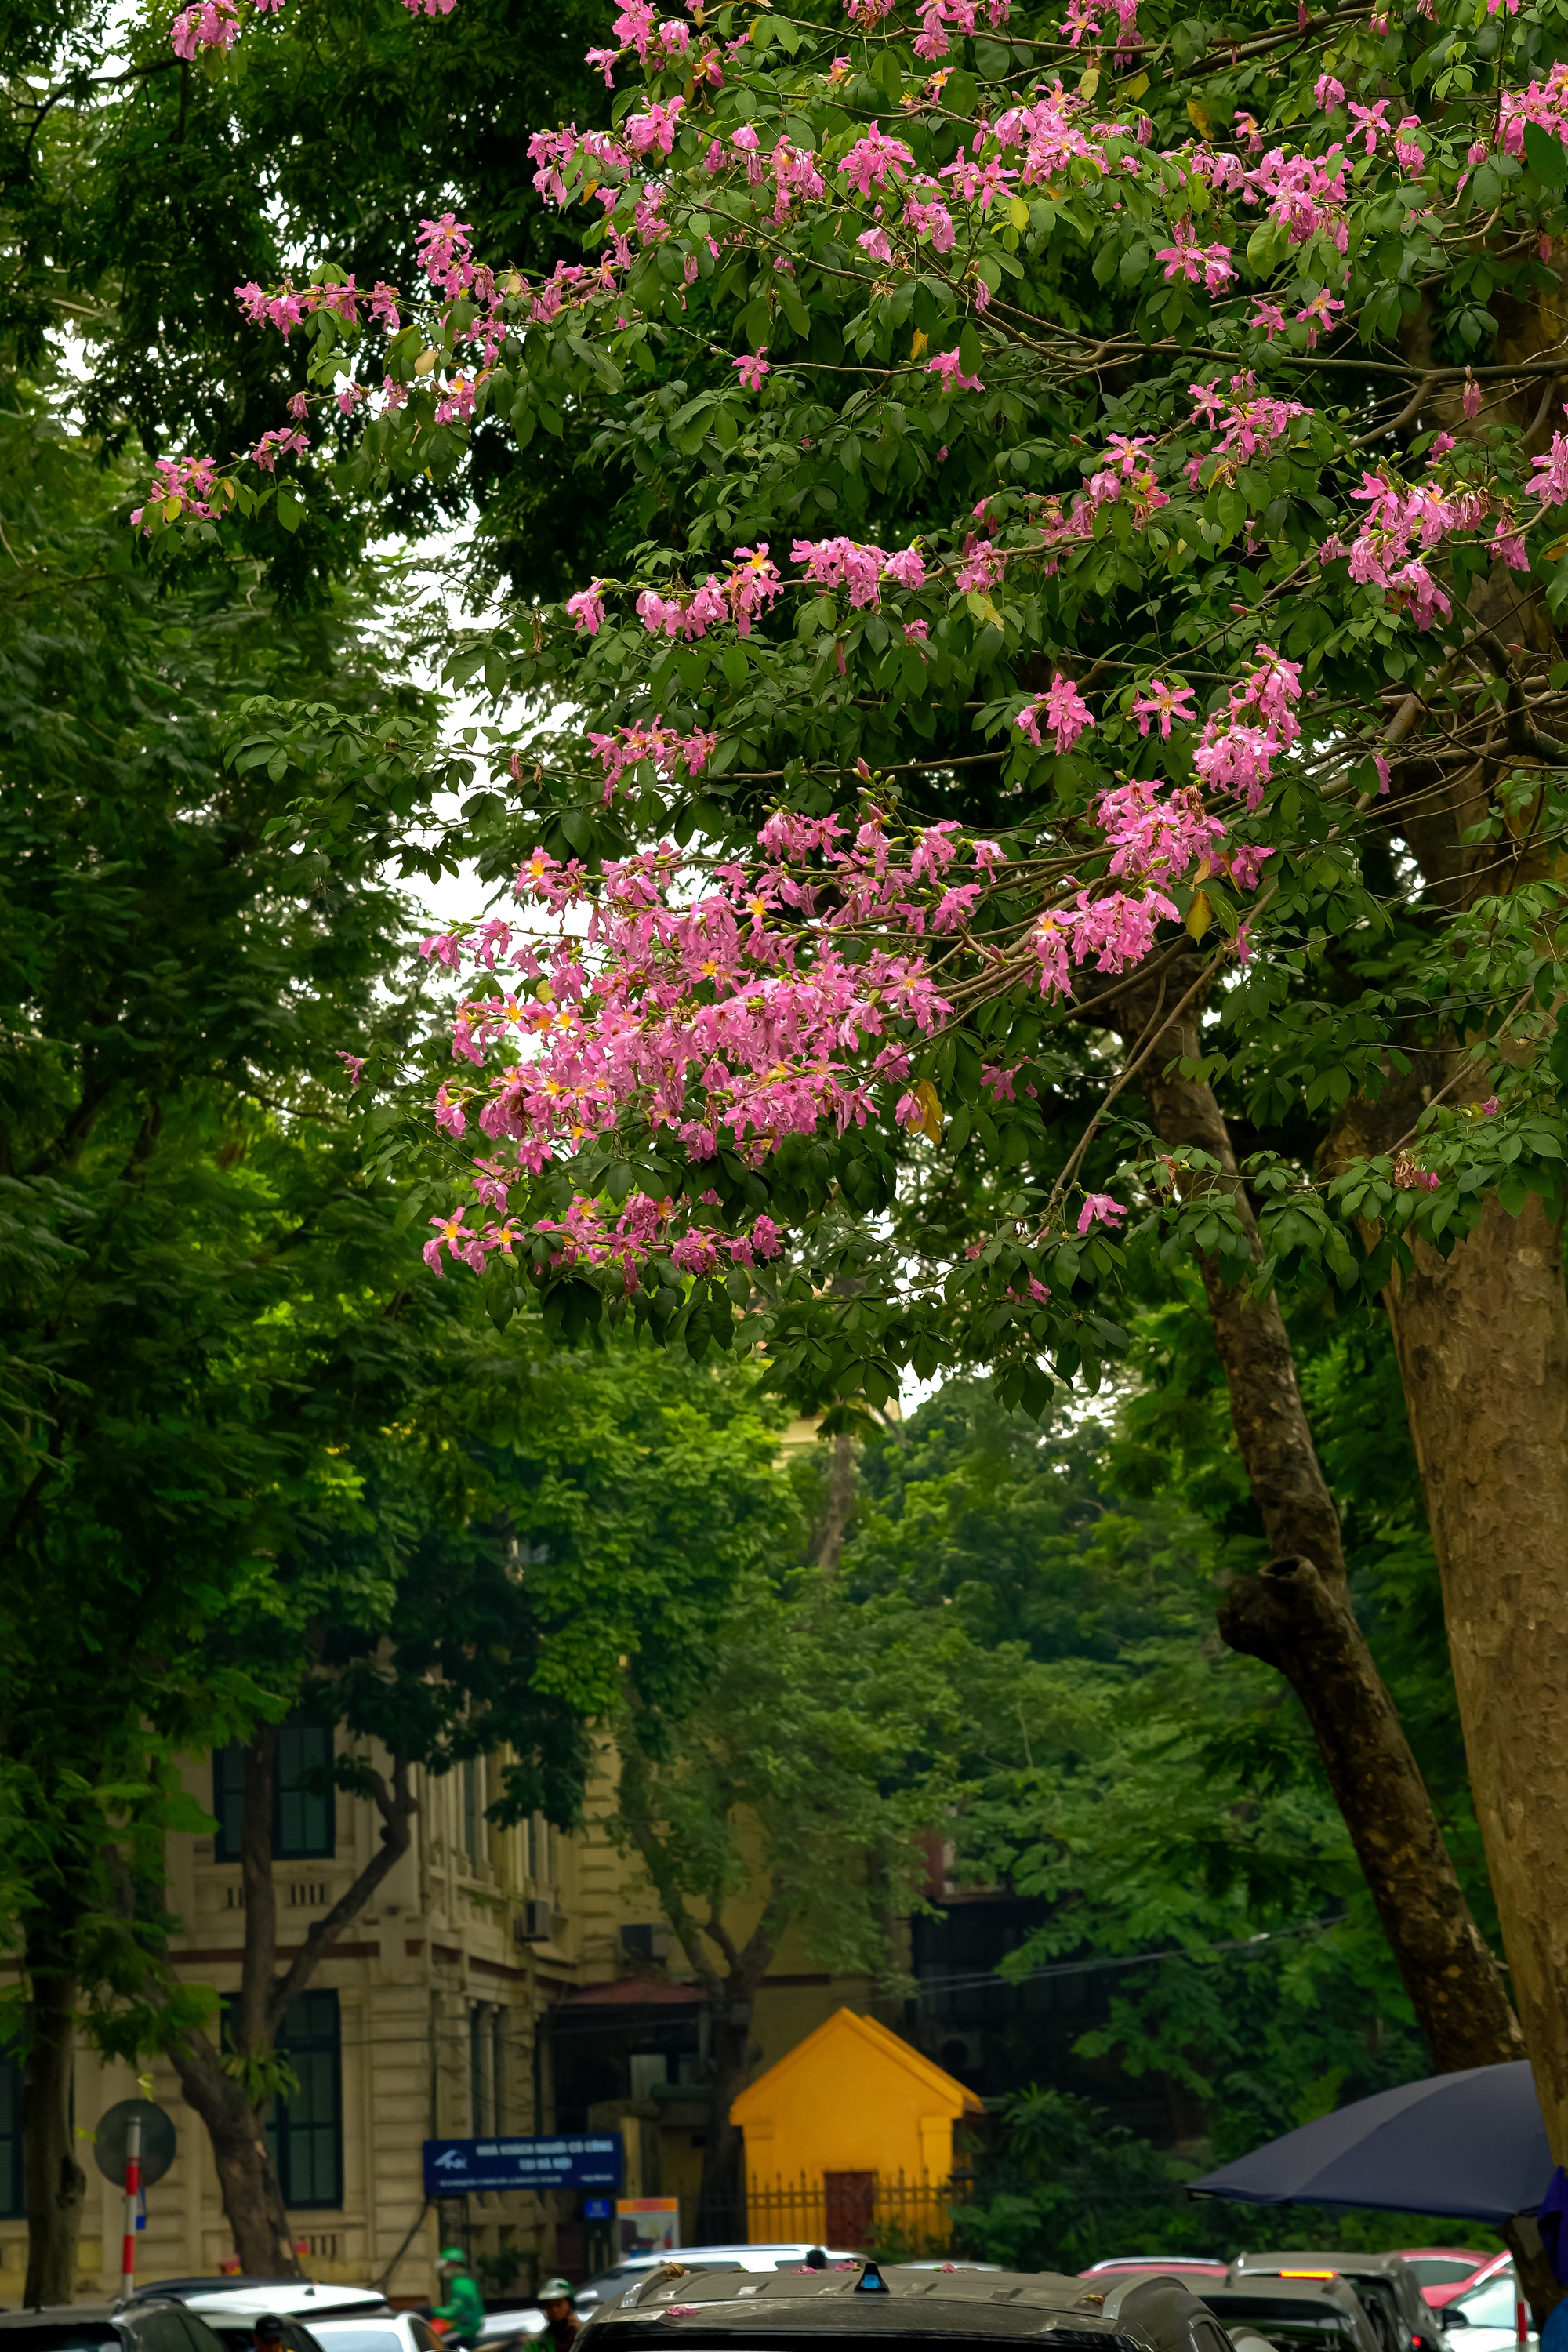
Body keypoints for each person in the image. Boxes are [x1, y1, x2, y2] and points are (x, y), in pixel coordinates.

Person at [433, 2248, 486, 2350]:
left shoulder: (459, 2285)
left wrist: (432, 2311)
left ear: (453, 2265)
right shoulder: (467, 2282)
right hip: (470, 2329)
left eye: (446, 2266)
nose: (444, 2270)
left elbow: (453, 2311)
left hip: (464, 2331)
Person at [537, 2279, 580, 2352]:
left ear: (570, 2305)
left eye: (559, 2305)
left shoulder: (587, 2336)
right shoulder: (537, 2342)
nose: (554, 2310)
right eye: (549, 2306)